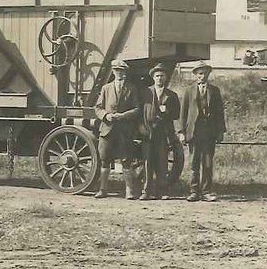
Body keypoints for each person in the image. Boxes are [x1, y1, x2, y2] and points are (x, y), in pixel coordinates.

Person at [93, 59, 143, 199]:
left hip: (124, 130)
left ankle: (129, 191)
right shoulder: (106, 88)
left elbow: (137, 109)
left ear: (125, 72)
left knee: (126, 160)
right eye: (116, 70)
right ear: (113, 72)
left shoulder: (131, 89)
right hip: (107, 129)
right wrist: (106, 115)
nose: (119, 73)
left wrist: (124, 116)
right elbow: (98, 108)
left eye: (121, 70)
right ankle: (103, 189)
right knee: (104, 159)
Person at [178, 61, 226, 202]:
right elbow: (183, 113)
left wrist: (220, 131)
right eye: (199, 73)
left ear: (208, 74)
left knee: (207, 162)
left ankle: (206, 191)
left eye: (205, 73)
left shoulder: (215, 91)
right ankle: (194, 191)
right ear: (195, 75)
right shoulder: (189, 90)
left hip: (209, 132)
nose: (202, 76)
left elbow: (220, 113)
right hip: (194, 132)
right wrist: (182, 132)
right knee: (194, 162)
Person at [140, 63, 180, 200]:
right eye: (157, 76)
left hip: (163, 133)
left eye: (162, 76)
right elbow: (139, 111)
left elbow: (176, 114)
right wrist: (141, 128)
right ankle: (146, 191)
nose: (159, 78)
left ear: (166, 78)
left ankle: (162, 191)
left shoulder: (172, 95)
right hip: (148, 132)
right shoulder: (145, 93)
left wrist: (167, 111)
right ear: (153, 78)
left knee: (162, 162)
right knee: (147, 162)